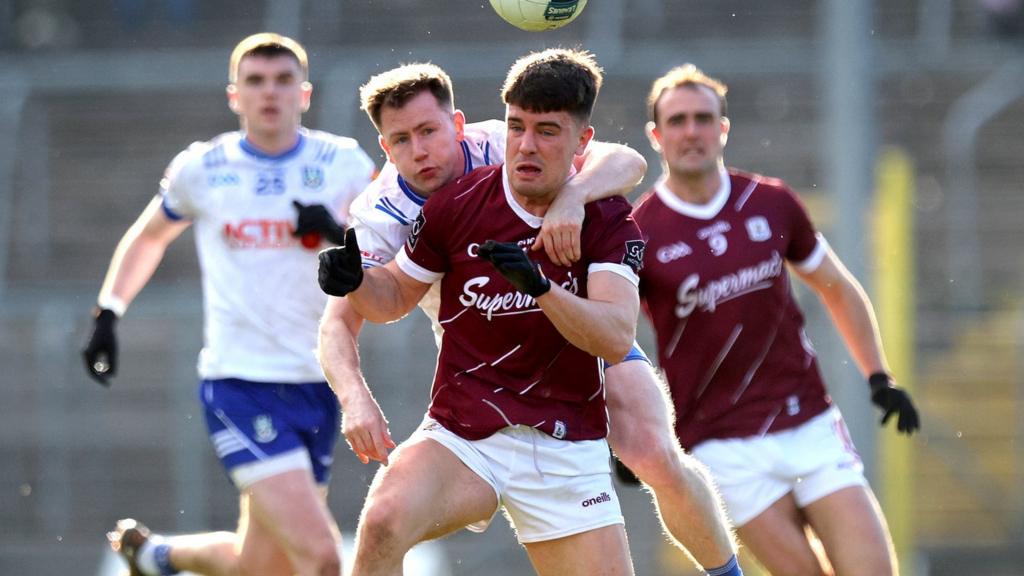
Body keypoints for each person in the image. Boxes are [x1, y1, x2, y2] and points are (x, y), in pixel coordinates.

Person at [317, 62, 742, 575]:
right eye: (401, 139)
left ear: (458, 125)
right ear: (384, 148)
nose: (420, 151)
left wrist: (573, 198)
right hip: (484, 362)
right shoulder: (383, 214)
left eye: (429, 131)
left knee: (653, 450)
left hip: (576, 340)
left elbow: (626, 162)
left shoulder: (507, 142)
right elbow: (349, 315)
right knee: (384, 519)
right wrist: (357, 400)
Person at [80, 33, 375, 576]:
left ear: (304, 95)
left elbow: (381, 256)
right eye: (255, 82)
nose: (270, 93)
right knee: (322, 558)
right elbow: (148, 237)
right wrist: (108, 313)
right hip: (240, 383)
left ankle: (157, 557)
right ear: (234, 96)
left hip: (319, 381)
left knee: (267, 564)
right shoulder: (205, 168)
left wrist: (337, 231)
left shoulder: (343, 163)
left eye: (284, 80)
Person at [634, 63, 921, 575]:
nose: (691, 131)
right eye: (677, 121)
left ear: (724, 128)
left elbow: (836, 286)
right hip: (720, 444)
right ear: (656, 135)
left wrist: (879, 375)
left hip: (807, 419)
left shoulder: (770, 202)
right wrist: (628, 428)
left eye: (704, 118)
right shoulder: (640, 231)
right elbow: (612, 340)